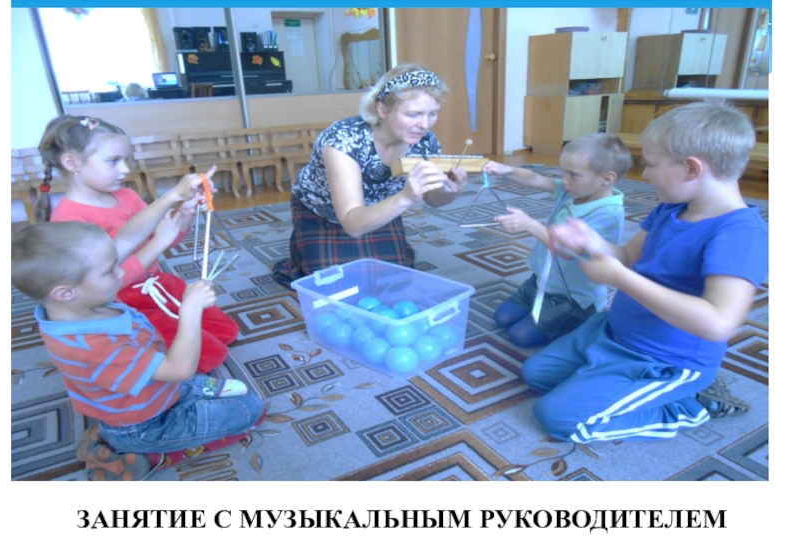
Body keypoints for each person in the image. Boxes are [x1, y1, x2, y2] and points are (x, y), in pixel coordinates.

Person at [521, 100, 769, 442]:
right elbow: (625, 257)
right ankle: (608, 379)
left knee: (558, 419)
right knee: (536, 374)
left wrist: (619, 278)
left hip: (665, 358)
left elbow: (718, 322)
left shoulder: (741, 234)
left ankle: (690, 406)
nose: (646, 175)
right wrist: (591, 241)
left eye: (651, 165)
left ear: (692, 169)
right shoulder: (670, 208)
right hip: (613, 333)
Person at [11, 222, 265, 477]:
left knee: (230, 394)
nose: (121, 272)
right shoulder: (95, 348)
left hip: (151, 391)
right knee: (251, 409)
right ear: (66, 293)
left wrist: (164, 230)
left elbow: (124, 245)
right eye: (109, 270)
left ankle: (130, 427)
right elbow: (180, 369)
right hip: (145, 425)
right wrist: (190, 310)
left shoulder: (79, 304)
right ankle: (152, 453)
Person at [37, 114, 239, 373]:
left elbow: (164, 238)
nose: (125, 170)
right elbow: (107, 281)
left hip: (157, 283)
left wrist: (186, 212)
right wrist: (161, 234)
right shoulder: (69, 219)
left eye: (126, 160)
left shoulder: (127, 196)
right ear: (72, 162)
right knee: (208, 355)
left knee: (227, 331)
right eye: (113, 161)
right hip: (120, 301)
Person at [273, 63, 469, 284]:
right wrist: (406, 197)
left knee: (394, 278)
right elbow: (352, 224)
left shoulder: (426, 142)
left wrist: (449, 190)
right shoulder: (344, 140)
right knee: (332, 283)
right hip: (322, 211)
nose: (424, 125)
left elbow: (433, 200)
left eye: (433, 114)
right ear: (383, 110)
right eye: (413, 114)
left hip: (379, 208)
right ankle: (303, 242)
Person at [483, 133, 631, 347]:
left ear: (606, 178)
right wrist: (507, 170)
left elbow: (566, 250)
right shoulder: (574, 191)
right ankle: (542, 304)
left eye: (573, 174)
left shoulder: (608, 213)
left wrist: (530, 224)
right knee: (502, 317)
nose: (564, 180)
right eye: (563, 172)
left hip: (574, 298)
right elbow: (535, 179)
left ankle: (586, 320)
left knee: (519, 336)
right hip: (544, 280)